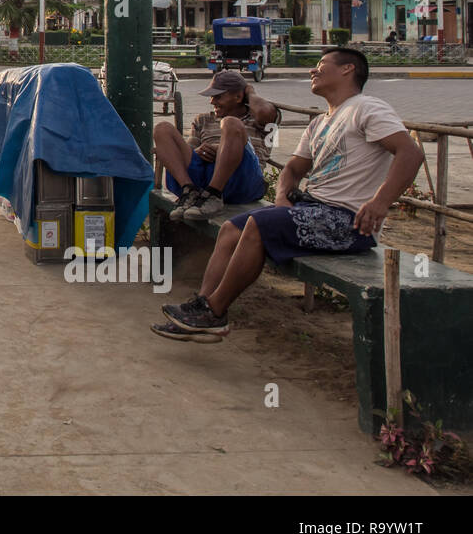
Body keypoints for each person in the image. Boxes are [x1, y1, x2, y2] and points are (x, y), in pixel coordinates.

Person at [154, 47, 424, 342]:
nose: (313, 70)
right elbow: (292, 170)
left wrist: (380, 202)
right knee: (232, 228)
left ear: (347, 69)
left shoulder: (367, 108)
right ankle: (202, 306)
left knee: (257, 226)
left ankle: (215, 312)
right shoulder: (321, 122)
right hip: (313, 211)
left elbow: (410, 153)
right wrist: (282, 199)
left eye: (321, 65)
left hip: (349, 222)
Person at [154, 70, 278, 221]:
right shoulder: (203, 119)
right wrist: (199, 151)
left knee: (230, 122)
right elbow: (190, 150)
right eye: (212, 96)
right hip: (204, 178)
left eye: (218, 96)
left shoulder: (261, 120)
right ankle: (189, 192)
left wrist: (250, 91)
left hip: (243, 180)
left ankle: (215, 194)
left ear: (238, 97)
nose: (212, 101)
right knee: (162, 129)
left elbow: (265, 111)